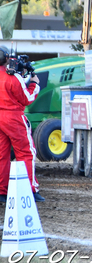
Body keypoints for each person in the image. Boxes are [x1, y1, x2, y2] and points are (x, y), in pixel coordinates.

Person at [0, 46, 44, 203]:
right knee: (26, 153)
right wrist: (34, 84)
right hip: (13, 118)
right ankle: (31, 190)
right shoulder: (13, 77)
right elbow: (27, 98)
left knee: (1, 155)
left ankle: (2, 191)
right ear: (6, 58)